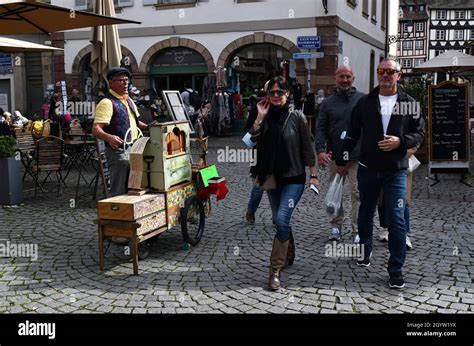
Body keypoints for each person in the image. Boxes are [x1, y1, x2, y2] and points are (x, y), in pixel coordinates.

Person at [336, 58, 424, 289]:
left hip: (395, 170)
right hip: (368, 168)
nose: (385, 75)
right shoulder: (366, 103)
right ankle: (365, 251)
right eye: (381, 71)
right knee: (365, 213)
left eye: (390, 71)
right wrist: (342, 158)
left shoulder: (409, 103)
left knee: (396, 219)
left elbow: (420, 134)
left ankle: (395, 269)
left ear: (399, 75)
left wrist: (401, 141)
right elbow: (352, 134)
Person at [249, 76, 320, 291]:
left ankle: (274, 270)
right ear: (267, 95)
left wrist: (314, 175)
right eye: (272, 92)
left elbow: (308, 148)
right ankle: (289, 252)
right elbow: (250, 139)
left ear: (288, 94)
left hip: (294, 178)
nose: (276, 96)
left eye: (281, 92)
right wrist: (260, 118)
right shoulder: (262, 114)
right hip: (271, 177)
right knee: (279, 219)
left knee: (281, 218)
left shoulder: (297, 117)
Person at [316, 65, 364, 243]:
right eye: (341, 77)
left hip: (357, 156)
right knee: (335, 193)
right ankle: (335, 226)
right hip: (335, 156)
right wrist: (320, 150)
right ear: (335, 78)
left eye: (348, 77)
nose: (345, 80)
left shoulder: (362, 100)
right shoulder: (327, 103)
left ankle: (357, 230)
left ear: (353, 78)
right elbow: (320, 129)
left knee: (358, 193)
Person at [92, 67, 149, 197]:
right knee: (118, 189)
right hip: (118, 151)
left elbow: (134, 121)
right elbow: (96, 128)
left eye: (127, 80)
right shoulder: (107, 102)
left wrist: (150, 127)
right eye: (121, 80)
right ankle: (115, 212)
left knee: (133, 186)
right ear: (111, 83)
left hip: (134, 148)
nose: (125, 83)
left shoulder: (128, 99)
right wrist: (109, 137)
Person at [378, 146, 418, 250]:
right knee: (383, 199)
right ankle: (386, 227)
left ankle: (404, 234)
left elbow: (415, 143)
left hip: (402, 164)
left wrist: (400, 154)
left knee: (403, 200)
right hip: (381, 164)